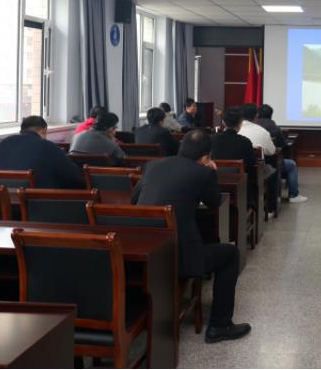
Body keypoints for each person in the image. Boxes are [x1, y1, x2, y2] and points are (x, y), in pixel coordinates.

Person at [131, 129, 251, 344]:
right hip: (178, 258)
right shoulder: (202, 173)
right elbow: (215, 202)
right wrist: (211, 172)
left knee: (202, 236)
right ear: (205, 157)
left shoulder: (153, 165)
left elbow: (134, 200)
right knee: (231, 254)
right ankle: (220, 325)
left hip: (145, 253)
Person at [0, 116, 82, 189]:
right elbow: (73, 175)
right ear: (44, 131)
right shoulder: (48, 146)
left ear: (22, 130)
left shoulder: (2, 144)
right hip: (38, 202)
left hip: (4, 200)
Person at [254, 104, 307, 204]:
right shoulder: (274, 128)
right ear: (271, 115)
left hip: (252, 165)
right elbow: (283, 145)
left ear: (257, 114)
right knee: (292, 164)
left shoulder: (252, 126)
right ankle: (293, 195)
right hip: (270, 164)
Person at [210, 107, 258, 210]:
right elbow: (251, 165)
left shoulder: (211, 139)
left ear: (223, 122)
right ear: (240, 123)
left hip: (213, 187)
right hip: (240, 190)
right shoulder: (245, 142)